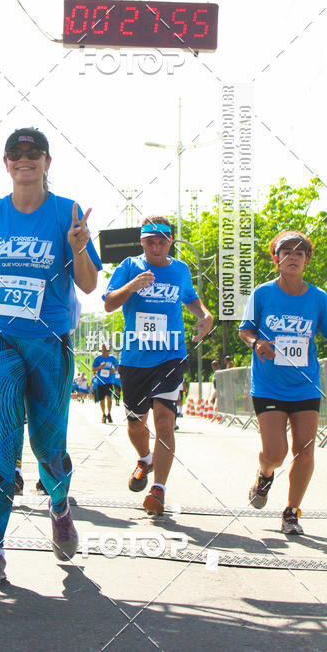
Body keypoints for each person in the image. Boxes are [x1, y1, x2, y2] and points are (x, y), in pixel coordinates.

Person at [0, 127, 101, 587]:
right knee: (2, 443)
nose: (25, 159)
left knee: (48, 449)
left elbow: (88, 284)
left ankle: (60, 506)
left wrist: (78, 248)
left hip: (49, 343)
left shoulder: (67, 212)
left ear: (47, 162)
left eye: (34, 153)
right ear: (6, 163)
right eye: (16, 153)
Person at [103, 215, 213, 515]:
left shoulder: (180, 269)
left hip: (170, 355)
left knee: (164, 421)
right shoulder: (129, 266)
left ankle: (159, 489)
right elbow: (109, 303)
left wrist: (204, 315)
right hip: (135, 358)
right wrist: (132, 286)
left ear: (170, 241)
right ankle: (145, 459)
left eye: (161, 241)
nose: (155, 247)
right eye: (149, 241)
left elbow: (190, 298)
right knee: (135, 423)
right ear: (142, 242)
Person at [239, 230, 326, 536]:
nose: (293, 257)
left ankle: (292, 511)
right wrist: (256, 343)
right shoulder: (262, 294)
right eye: (286, 252)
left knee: (305, 451)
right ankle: (265, 475)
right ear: (276, 259)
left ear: (307, 260)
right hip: (269, 385)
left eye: (299, 253)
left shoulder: (319, 298)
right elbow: (245, 330)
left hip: (305, 385)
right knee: (276, 453)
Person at [91, 342, 119, 423]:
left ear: (108, 348)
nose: (104, 349)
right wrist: (100, 367)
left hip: (109, 381)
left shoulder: (112, 358)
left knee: (109, 397)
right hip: (100, 382)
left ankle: (109, 414)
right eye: (103, 347)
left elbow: (117, 366)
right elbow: (93, 369)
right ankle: (103, 414)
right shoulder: (98, 358)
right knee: (102, 399)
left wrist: (114, 370)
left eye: (106, 347)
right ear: (101, 348)